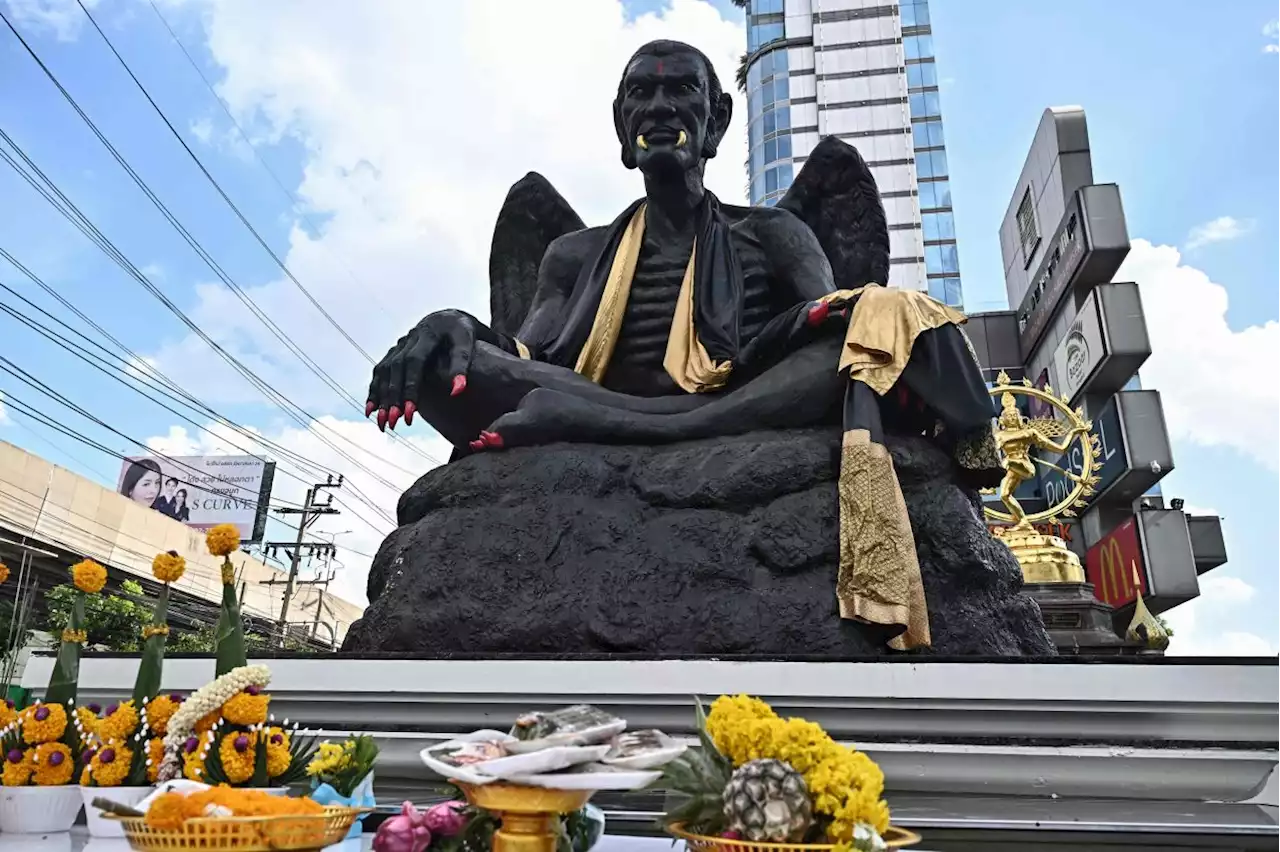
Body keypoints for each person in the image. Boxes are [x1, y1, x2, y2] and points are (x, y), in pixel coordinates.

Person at [363, 40, 1001, 650]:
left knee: (878, 324)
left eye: (681, 91)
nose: (661, 107)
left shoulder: (776, 232)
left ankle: (646, 427)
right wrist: (456, 326)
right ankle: (637, 420)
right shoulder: (572, 254)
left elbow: (833, 321)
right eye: (642, 93)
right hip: (583, 393)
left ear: (716, 119)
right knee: (448, 362)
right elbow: (531, 356)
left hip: (744, 393)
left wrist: (827, 319)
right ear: (621, 123)